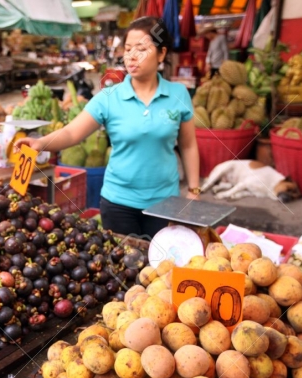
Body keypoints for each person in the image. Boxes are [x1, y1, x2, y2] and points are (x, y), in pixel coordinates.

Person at [15, 17, 201, 238]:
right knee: (124, 268)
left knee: (161, 269)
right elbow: (72, 132)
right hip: (118, 203)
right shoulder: (109, 97)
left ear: (161, 54)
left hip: (166, 203)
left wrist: (193, 190)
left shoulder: (178, 94)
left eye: (141, 49)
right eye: (128, 48)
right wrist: (41, 143)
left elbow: (189, 145)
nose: (132, 55)